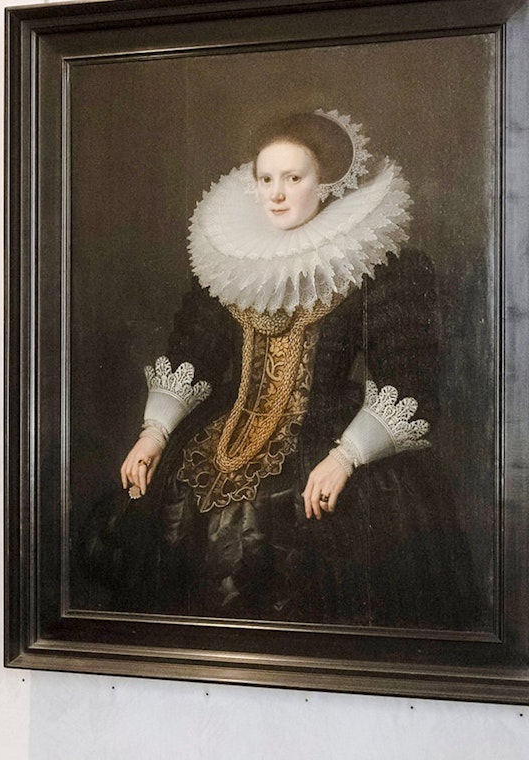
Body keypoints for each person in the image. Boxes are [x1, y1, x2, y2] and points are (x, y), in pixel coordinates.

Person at [90, 109, 478, 628]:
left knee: (299, 527)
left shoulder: (374, 265)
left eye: (294, 178)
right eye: (266, 179)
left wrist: (348, 457)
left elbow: (405, 375)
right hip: (224, 429)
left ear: (327, 182)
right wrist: (155, 431)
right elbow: (195, 352)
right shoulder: (232, 262)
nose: (277, 193)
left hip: (327, 436)